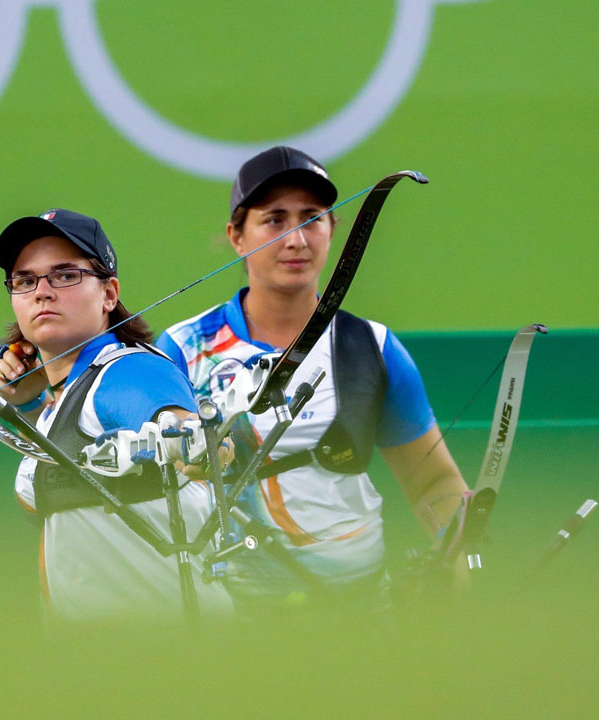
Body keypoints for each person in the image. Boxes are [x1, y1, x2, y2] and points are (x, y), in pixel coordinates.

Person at [156, 147, 468, 609]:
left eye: (312, 218)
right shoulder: (183, 348)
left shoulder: (371, 345)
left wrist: (463, 562)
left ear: (333, 230)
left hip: (361, 611)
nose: (297, 239)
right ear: (237, 236)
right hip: (227, 616)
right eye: (274, 220)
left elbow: (434, 484)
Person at [0, 208, 232, 622]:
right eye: (25, 281)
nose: (42, 292)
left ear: (109, 294)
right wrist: (30, 402)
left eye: (66, 275)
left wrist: (196, 442)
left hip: (168, 648)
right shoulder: (68, 396)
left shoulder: (126, 370)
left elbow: (174, 423)